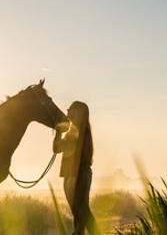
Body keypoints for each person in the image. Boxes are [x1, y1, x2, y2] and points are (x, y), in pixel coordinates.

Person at [53, 101, 99, 235]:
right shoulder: (76, 131)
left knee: (81, 211)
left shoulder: (78, 132)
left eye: (70, 110)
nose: (67, 113)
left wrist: (72, 176)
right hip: (74, 175)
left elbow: (60, 149)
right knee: (80, 211)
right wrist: (58, 132)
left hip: (77, 175)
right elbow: (57, 149)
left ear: (78, 112)